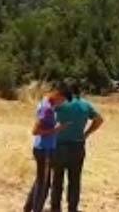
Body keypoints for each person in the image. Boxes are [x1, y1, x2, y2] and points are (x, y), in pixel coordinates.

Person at [50, 83, 105, 212]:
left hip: (60, 145)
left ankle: (55, 208)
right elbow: (99, 119)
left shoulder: (62, 103)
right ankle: (72, 208)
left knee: (57, 179)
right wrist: (87, 133)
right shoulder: (85, 105)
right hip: (77, 146)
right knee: (75, 180)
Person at [24, 84, 69, 212]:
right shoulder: (47, 109)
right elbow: (35, 131)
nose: (62, 103)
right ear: (57, 94)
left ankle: (28, 207)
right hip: (44, 150)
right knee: (43, 184)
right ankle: (36, 209)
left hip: (43, 148)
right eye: (62, 100)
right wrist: (56, 129)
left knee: (41, 180)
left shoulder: (46, 103)